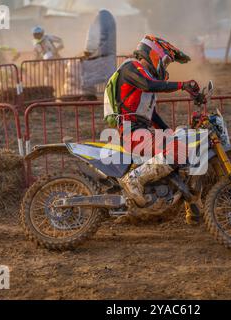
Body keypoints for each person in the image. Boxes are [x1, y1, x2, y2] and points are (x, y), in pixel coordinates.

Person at [109, 35, 201, 224]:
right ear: (153, 53)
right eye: (165, 61)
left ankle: (192, 208)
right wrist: (182, 85)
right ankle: (133, 180)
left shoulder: (143, 81)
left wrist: (170, 133)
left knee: (182, 150)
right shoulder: (130, 67)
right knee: (179, 150)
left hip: (140, 131)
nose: (165, 66)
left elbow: (153, 117)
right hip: (131, 133)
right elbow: (149, 84)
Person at [81, 9, 117, 98]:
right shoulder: (109, 19)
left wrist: (88, 51)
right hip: (109, 55)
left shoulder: (96, 22)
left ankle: (89, 95)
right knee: (110, 79)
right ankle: (111, 96)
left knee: (88, 78)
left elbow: (91, 39)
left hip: (98, 56)